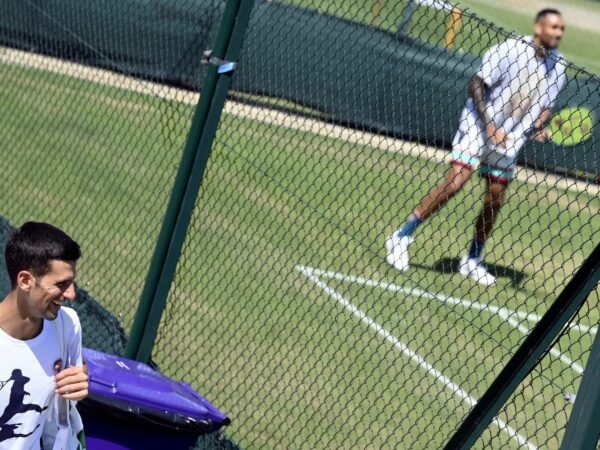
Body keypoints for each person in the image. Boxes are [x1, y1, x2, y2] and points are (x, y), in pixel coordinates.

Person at [386, 8, 567, 285]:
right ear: (539, 28)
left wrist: (538, 127)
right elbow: (475, 84)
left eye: (561, 29)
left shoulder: (560, 65)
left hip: (509, 136)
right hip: (477, 125)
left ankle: (472, 259)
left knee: (495, 197)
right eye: (554, 27)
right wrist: (490, 126)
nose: (558, 33)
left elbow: (545, 106)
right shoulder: (511, 49)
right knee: (456, 182)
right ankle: (401, 236)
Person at [0, 222, 88, 449]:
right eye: (61, 284)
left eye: (72, 282)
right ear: (25, 281)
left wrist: (80, 380)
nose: (71, 294)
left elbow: (68, 400)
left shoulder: (67, 326)